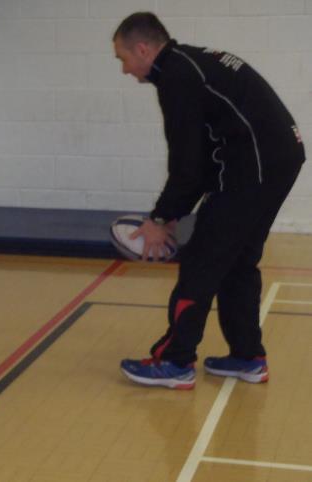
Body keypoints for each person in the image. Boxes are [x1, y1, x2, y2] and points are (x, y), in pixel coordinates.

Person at [113, 12, 305, 389]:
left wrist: (161, 217)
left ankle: (174, 362)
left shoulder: (177, 78)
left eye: (122, 58)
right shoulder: (189, 63)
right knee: (238, 261)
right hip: (277, 159)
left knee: (201, 262)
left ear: (142, 48)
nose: (124, 69)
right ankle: (248, 356)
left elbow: (188, 162)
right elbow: (199, 162)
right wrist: (172, 214)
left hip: (255, 167)